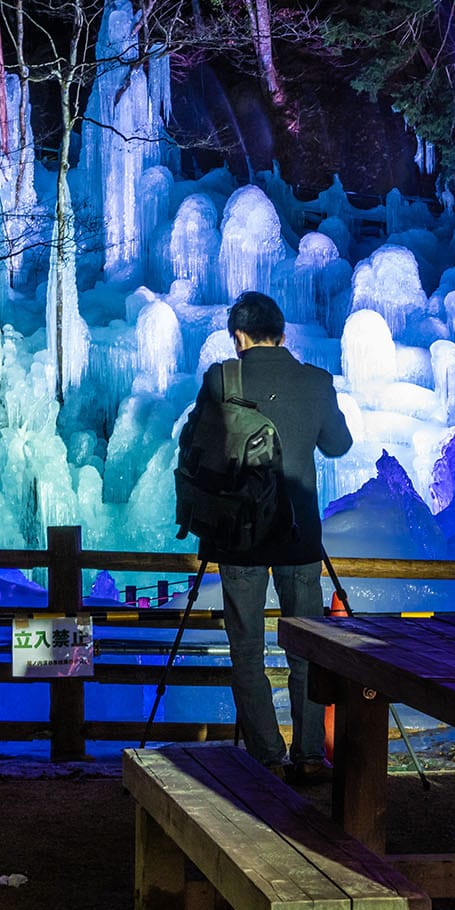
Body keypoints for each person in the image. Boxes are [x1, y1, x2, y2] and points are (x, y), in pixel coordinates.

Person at [180, 292, 353, 782]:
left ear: (239, 336)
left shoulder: (221, 379)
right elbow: (338, 445)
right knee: (309, 647)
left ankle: (265, 756)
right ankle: (309, 755)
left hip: (239, 538)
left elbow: (196, 444)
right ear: (283, 332)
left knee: (247, 647)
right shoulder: (316, 382)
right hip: (299, 540)